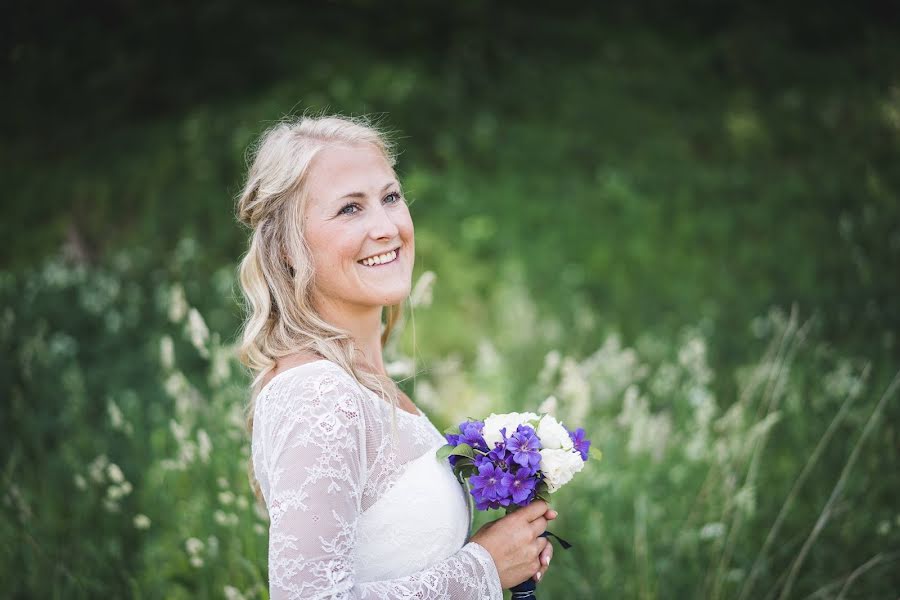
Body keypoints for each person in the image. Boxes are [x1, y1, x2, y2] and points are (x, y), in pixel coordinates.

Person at [235, 114, 556, 599]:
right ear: (286, 247)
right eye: (349, 209)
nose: (386, 227)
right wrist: (484, 568)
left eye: (390, 197)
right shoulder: (318, 393)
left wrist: (504, 553)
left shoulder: (360, 381)